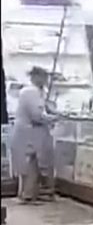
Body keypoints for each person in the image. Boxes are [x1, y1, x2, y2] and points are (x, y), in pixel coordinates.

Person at [10, 66, 56, 202]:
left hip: (29, 135)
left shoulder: (36, 92)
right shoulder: (31, 92)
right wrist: (54, 119)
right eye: (44, 77)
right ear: (36, 77)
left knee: (32, 165)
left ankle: (29, 194)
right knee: (29, 166)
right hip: (27, 134)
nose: (46, 80)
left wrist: (50, 112)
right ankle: (27, 195)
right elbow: (37, 116)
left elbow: (43, 110)